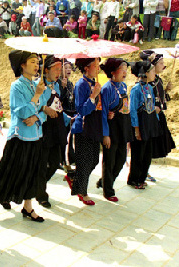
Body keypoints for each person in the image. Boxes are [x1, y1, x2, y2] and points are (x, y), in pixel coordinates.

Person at [0, 50, 50, 222]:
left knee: (32, 172)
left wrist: (37, 116)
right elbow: (22, 112)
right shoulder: (16, 86)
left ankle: (28, 207)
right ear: (22, 65)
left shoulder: (38, 85)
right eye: (32, 62)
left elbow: (45, 112)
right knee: (11, 171)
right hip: (20, 137)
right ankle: (4, 195)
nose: (36, 65)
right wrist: (37, 97)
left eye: (37, 62)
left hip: (36, 135)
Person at [96, 58, 132, 202]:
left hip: (122, 127)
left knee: (121, 159)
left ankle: (104, 181)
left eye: (126, 69)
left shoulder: (123, 86)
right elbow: (103, 113)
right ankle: (108, 191)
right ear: (112, 72)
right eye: (122, 69)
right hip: (111, 129)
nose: (125, 72)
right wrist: (105, 135)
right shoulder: (107, 89)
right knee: (109, 160)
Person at [37, 55, 69, 208]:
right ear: (46, 69)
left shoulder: (56, 86)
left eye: (59, 69)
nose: (58, 72)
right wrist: (44, 108)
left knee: (55, 162)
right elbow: (33, 105)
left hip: (57, 128)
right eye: (55, 69)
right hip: (44, 128)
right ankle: (41, 194)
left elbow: (58, 106)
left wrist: (70, 119)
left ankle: (38, 186)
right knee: (43, 163)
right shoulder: (39, 85)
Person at [69, 58, 102, 206]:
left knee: (94, 159)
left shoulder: (95, 84)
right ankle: (82, 191)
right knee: (85, 161)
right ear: (87, 68)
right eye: (95, 66)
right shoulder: (81, 84)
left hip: (95, 126)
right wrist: (93, 96)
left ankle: (74, 177)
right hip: (83, 128)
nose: (98, 69)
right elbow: (81, 110)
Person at [140, 50, 176, 170]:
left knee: (157, 144)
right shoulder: (147, 82)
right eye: (161, 63)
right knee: (150, 145)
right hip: (150, 116)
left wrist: (166, 90)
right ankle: (143, 170)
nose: (163, 65)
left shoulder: (158, 80)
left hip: (159, 115)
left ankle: (146, 169)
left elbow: (160, 97)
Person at [127, 60, 160, 189]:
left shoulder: (149, 87)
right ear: (145, 73)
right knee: (138, 155)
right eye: (152, 71)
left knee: (147, 154)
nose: (154, 73)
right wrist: (136, 129)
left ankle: (142, 177)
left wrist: (155, 121)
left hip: (149, 124)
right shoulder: (136, 89)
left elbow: (151, 106)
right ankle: (133, 179)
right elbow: (133, 110)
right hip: (140, 125)